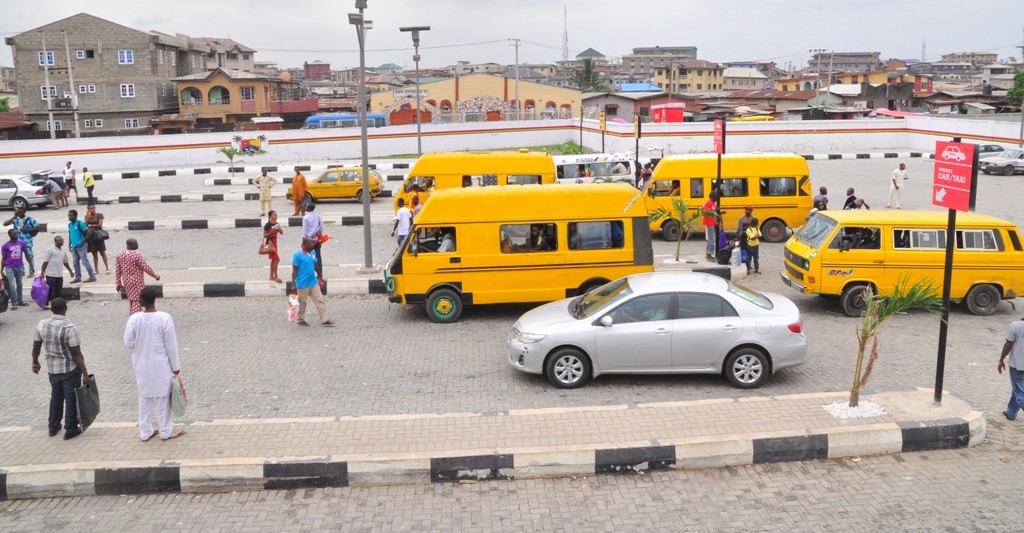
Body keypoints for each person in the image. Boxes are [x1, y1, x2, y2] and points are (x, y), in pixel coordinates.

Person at [124, 287, 185, 441]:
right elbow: (171, 345)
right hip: (161, 364)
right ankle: (165, 431)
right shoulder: (164, 318)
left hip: (141, 364)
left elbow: (128, 343)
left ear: (141, 301)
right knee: (163, 397)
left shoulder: (134, 319)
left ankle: (145, 432)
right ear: (155, 299)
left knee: (144, 397)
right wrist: (176, 366)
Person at [31, 297, 90, 440]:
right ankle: (70, 429)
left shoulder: (42, 325)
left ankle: (53, 426)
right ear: (65, 309)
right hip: (69, 369)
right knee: (70, 398)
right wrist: (85, 374)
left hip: (52, 369)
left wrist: (35, 362)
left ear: (51, 309)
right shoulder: (70, 328)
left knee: (56, 396)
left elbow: (36, 346)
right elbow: (77, 354)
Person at [291, 236, 333, 327]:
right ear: (305, 244)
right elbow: (294, 270)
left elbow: (315, 265)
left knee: (320, 300)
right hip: (302, 284)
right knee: (303, 302)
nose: (313, 245)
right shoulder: (297, 255)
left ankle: (324, 319)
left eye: (313, 243)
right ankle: (300, 319)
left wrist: (320, 275)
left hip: (313, 282)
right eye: (311, 243)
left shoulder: (313, 252)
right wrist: (293, 283)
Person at [115, 238, 160, 314]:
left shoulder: (120, 255)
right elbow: (145, 267)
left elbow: (118, 270)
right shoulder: (136, 255)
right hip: (137, 283)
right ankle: (135, 317)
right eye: (136, 243)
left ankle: (132, 316)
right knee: (137, 300)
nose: (137, 244)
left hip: (127, 283)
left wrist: (118, 283)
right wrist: (155, 276)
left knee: (132, 300)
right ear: (131, 245)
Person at [998, 317, 1024, 422]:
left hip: (1018, 365)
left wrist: (1001, 360)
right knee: (1017, 389)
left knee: (1019, 393)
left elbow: (1008, 345)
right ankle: (1011, 413)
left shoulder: (1016, 326)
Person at [38, 235, 74, 309]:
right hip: (50, 274)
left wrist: (70, 270)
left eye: (62, 240)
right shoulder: (50, 250)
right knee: (50, 290)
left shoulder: (63, 251)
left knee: (58, 290)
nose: (62, 241)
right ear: (55, 242)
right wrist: (42, 273)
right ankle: (45, 303)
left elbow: (65, 262)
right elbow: (45, 262)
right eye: (60, 240)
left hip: (59, 274)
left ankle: (56, 305)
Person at [2, 228, 35, 308]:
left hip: (19, 267)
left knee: (19, 284)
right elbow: (3, 258)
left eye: (17, 233)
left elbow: (27, 255)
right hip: (9, 267)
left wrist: (31, 265)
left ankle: (20, 300)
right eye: (14, 234)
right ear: (10, 235)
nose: (16, 235)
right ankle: (14, 303)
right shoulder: (5, 246)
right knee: (12, 285)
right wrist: (1, 270)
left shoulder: (21, 243)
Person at [67, 209, 96, 283]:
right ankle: (78, 277)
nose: (69, 217)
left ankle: (92, 276)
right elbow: (70, 235)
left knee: (85, 261)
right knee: (75, 262)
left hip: (81, 246)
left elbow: (88, 233)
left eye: (71, 215)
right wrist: (69, 244)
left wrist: (82, 242)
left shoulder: (80, 223)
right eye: (69, 215)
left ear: (75, 216)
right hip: (74, 246)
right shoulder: (70, 225)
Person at [83, 203, 110, 275]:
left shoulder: (99, 215)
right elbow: (84, 225)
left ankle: (107, 268)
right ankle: (96, 269)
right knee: (94, 253)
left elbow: (100, 225)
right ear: (88, 209)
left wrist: (90, 225)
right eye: (90, 209)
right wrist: (88, 217)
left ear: (95, 208)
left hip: (98, 236)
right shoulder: (87, 216)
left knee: (102, 252)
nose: (92, 210)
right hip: (91, 237)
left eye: (93, 208)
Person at [301, 203, 324, 279]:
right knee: (318, 256)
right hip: (317, 240)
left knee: (308, 257)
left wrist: (303, 241)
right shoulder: (318, 216)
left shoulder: (305, 218)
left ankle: (309, 273)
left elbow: (304, 230)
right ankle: (320, 274)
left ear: (308, 208)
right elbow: (321, 228)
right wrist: (319, 237)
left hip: (308, 241)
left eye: (306, 206)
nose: (305, 207)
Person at [263, 210, 284, 283]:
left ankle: (271, 276)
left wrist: (278, 228)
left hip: (275, 242)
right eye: (274, 215)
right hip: (270, 243)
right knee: (277, 259)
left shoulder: (277, 224)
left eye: (276, 215)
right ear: (270, 216)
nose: (276, 216)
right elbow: (264, 235)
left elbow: (281, 232)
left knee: (273, 260)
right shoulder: (267, 225)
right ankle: (275, 276)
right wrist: (271, 231)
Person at [702, 193, 719, 261]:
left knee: (710, 238)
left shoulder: (713, 203)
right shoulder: (709, 203)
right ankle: (709, 254)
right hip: (709, 222)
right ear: (711, 197)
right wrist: (715, 210)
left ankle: (708, 253)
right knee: (712, 239)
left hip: (712, 222)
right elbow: (705, 212)